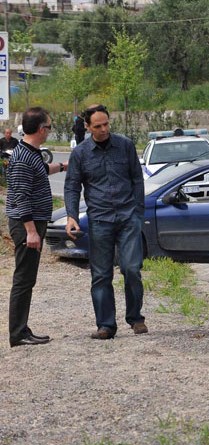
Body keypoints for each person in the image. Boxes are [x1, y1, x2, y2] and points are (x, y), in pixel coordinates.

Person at [64, 104, 147, 340]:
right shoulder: (80, 153)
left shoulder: (125, 145)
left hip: (128, 216)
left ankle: (136, 317)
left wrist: (138, 213)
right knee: (101, 274)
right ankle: (106, 325)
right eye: (98, 126)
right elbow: (71, 186)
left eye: (106, 124)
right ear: (88, 127)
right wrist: (71, 215)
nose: (103, 129)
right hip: (100, 219)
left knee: (131, 268)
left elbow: (137, 180)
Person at [6, 107, 68, 347]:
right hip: (26, 226)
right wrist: (31, 231)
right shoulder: (23, 157)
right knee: (24, 279)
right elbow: (20, 197)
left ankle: (21, 329)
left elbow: (41, 171)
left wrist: (63, 167)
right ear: (42, 129)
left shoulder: (30, 153)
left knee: (27, 278)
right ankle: (18, 333)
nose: (50, 131)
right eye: (49, 126)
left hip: (33, 223)